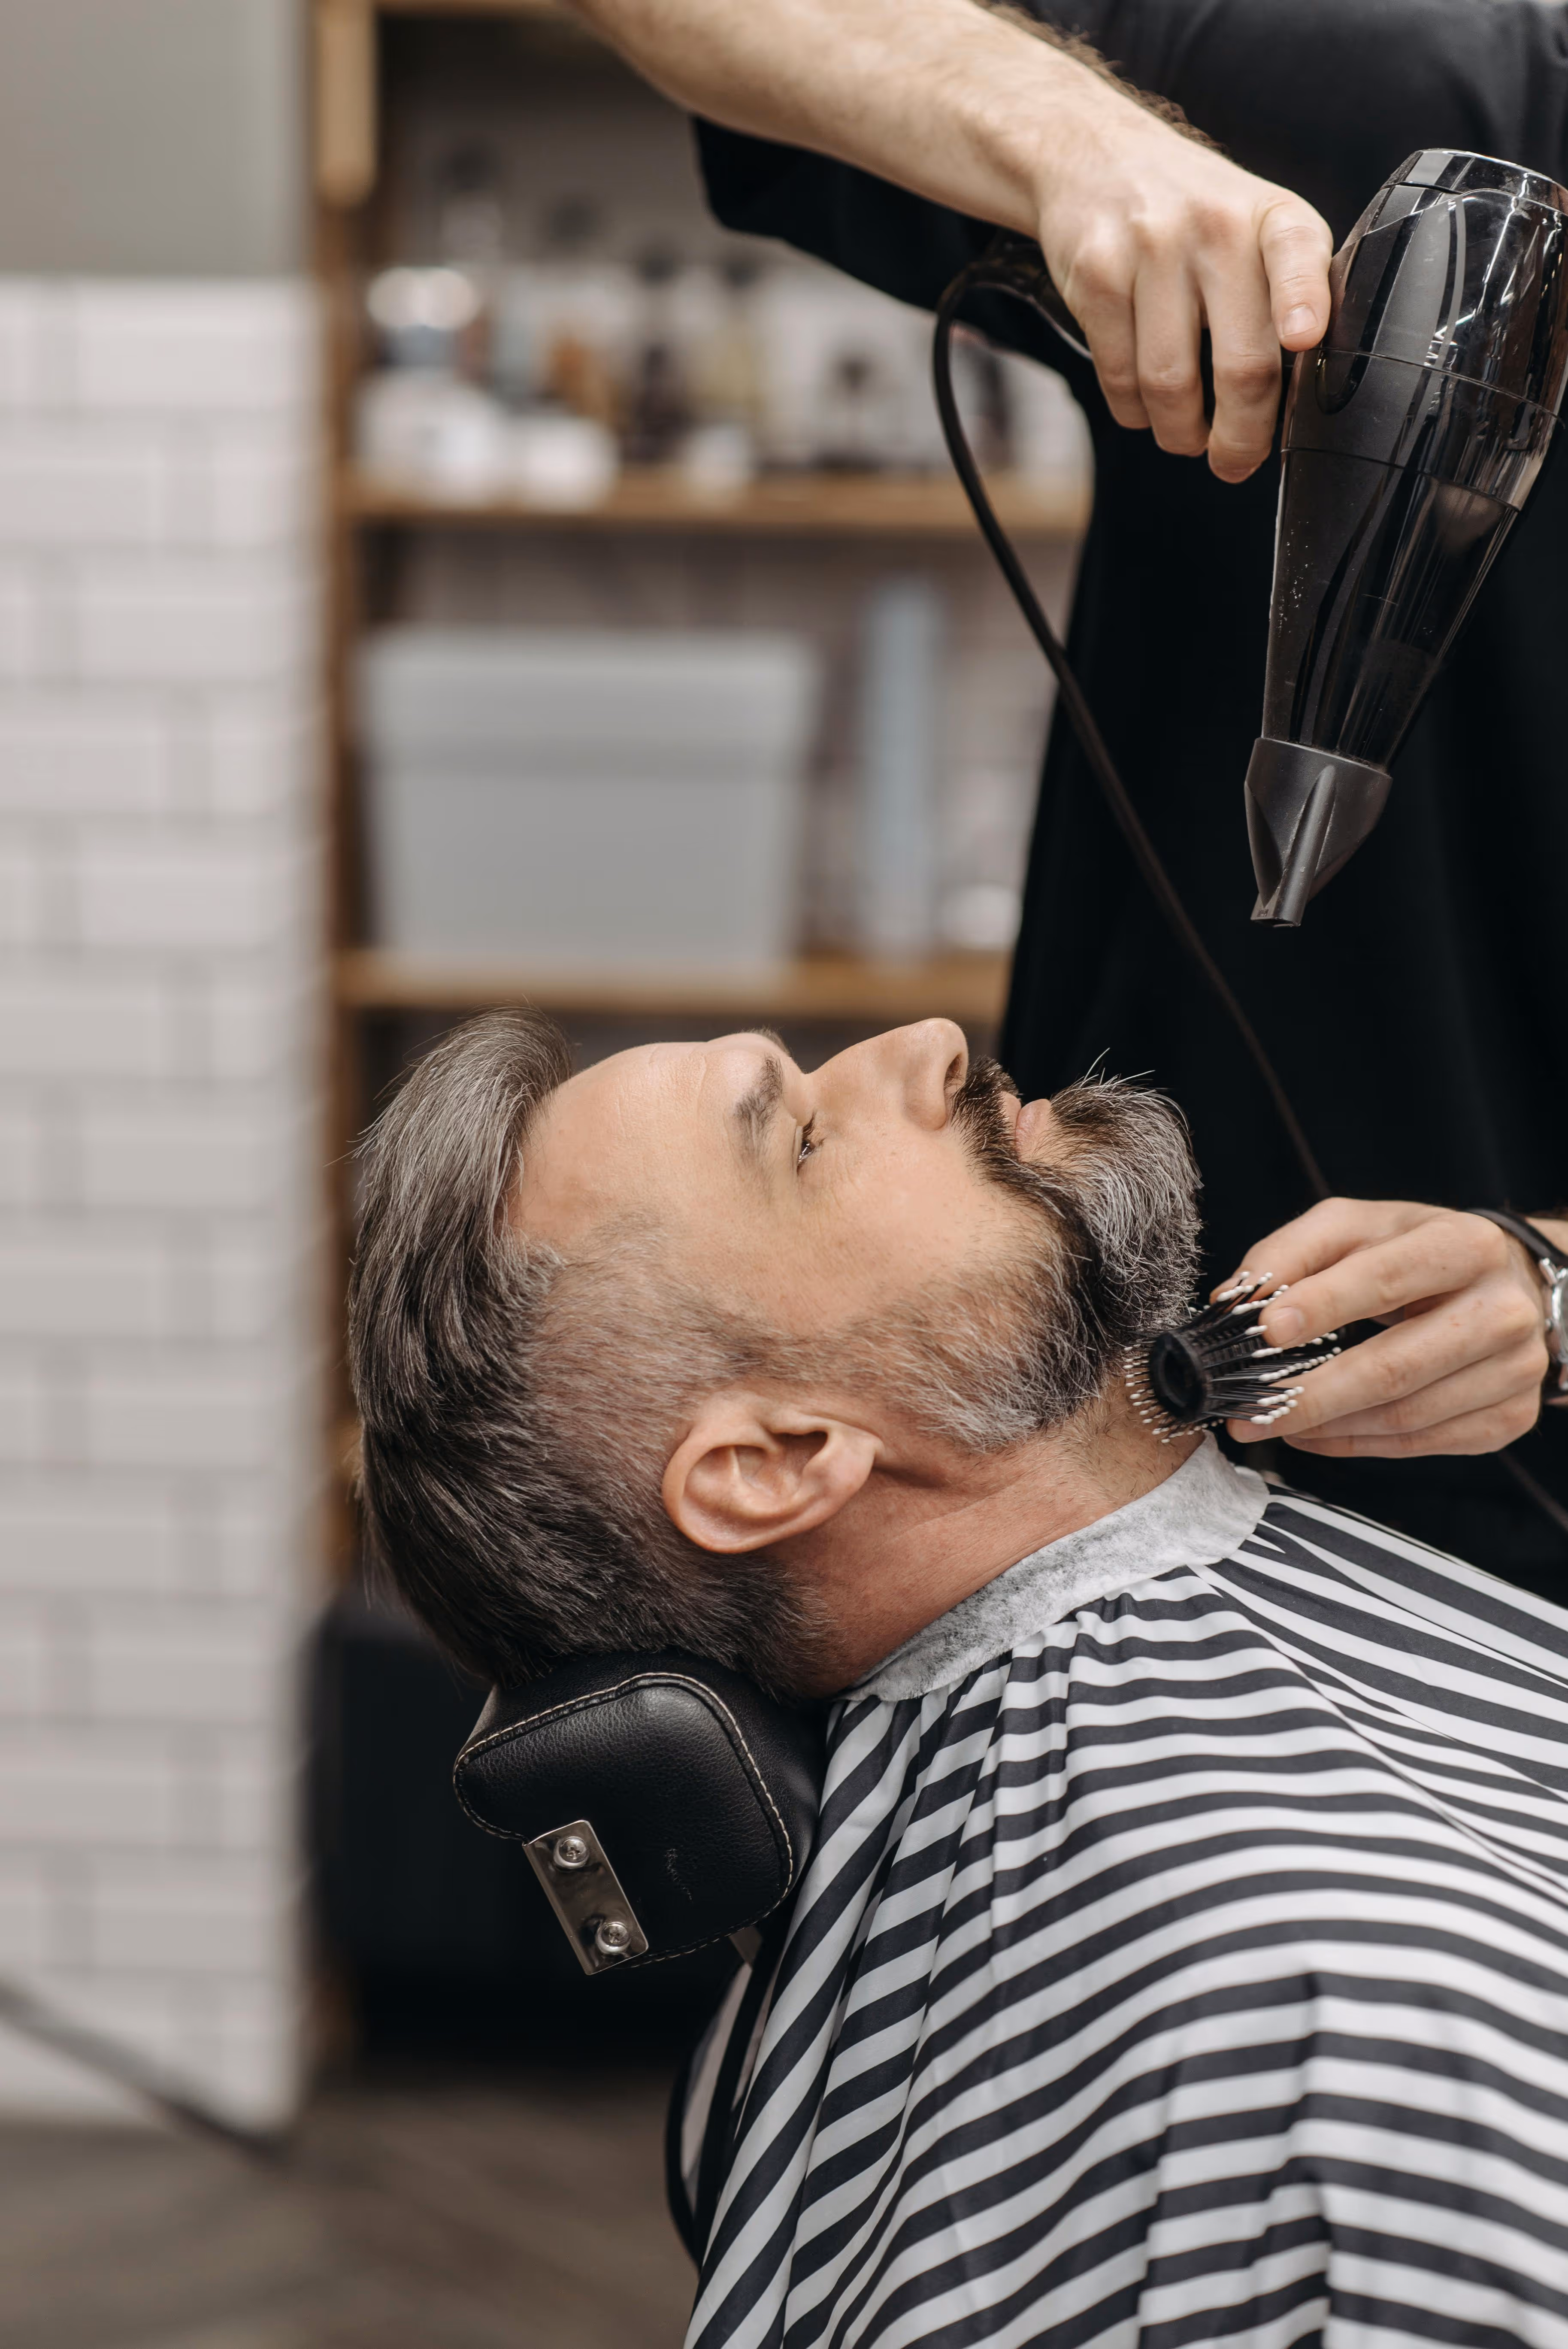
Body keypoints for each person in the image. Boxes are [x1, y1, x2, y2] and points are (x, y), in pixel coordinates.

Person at [350, 1008, 1568, 2344]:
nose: (931, 1041)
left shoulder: (830, 2014)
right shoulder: (1346, 2032)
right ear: (775, 1461)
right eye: (804, 1138)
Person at [566, 0, 1568, 1590]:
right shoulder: (1401, 97)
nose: (916, 1057)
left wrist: (1557, 1292)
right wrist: (1083, 142)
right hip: (1110, 1409)